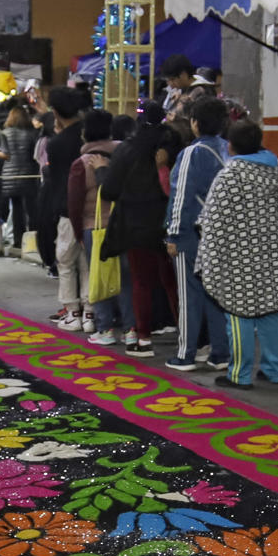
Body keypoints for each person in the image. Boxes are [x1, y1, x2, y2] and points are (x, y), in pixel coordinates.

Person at [196, 120, 278, 391]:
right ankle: (275, 370)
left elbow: (213, 221)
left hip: (238, 261)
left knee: (238, 313)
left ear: (231, 145)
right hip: (272, 257)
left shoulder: (231, 175)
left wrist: (210, 256)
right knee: (270, 313)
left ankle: (239, 374)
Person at [99, 101, 182, 357]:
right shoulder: (176, 146)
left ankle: (143, 338)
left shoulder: (128, 149)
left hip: (135, 224)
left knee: (141, 282)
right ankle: (188, 337)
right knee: (173, 283)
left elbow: (110, 189)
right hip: (170, 223)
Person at [164, 96, 233, 371]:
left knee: (189, 295)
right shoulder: (227, 150)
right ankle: (220, 353)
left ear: (194, 123)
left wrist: (173, 233)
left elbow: (181, 196)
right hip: (219, 233)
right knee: (216, 294)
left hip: (192, 233)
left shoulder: (193, 153)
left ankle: (186, 354)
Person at [67, 109, 122, 343]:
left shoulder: (82, 163)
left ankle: (105, 328)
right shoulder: (123, 153)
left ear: (85, 132)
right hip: (123, 225)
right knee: (125, 279)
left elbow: (74, 202)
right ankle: (130, 330)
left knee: (98, 277)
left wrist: (79, 232)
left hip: (94, 226)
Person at [40, 89, 87, 322]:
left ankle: (71, 310)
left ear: (56, 113)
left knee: (66, 260)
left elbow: (54, 176)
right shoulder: (89, 135)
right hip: (92, 207)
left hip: (67, 206)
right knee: (87, 261)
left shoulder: (57, 144)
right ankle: (90, 311)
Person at [0, 105, 39, 253]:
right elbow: (34, 156)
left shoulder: (4, 133)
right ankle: (34, 240)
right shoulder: (30, 134)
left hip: (9, 176)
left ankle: (17, 241)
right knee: (31, 209)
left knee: (16, 210)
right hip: (27, 175)